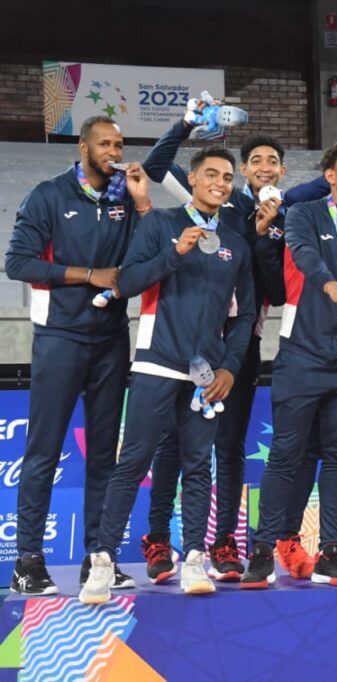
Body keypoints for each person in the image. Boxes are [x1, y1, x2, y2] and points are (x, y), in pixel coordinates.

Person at [79, 147, 256, 603]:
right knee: (133, 462)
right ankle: (102, 561)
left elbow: (245, 317)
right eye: (211, 174)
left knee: (199, 467)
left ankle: (194, 558)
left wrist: (231, 369)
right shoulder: (160, 224)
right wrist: (174, 254)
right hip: (157, 361)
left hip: (206, 377)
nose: (220, 182)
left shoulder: (236, 243)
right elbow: (128, 282)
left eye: (227, 177)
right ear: (192, 180)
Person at [140, 113, 289, 583]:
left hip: (238, 345)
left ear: (283, 172)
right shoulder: (213, 200)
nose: (265, 167)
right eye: (256, 161)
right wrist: (184, 125)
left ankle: (225, 541)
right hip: (185, 339)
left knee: (228, 447)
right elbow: (154, 164)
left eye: (273, 161)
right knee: (171, 443)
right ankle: (159, 538)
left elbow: (275, 291)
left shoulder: (282, 216)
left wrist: (266, 236)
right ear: (242, 170)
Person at [5, 116, 150, 595]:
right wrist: (89, 274)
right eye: (105, 143)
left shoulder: (124, 198)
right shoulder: (49, 195)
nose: (114, 150)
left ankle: (98, 558)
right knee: (43, 452)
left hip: (111, 340)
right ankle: (28, 561)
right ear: (83, 147)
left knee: (104, 457)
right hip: (60, 340)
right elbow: (18, 263)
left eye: (119, 143)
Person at [240, 140, 337, 589]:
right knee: (286, 455)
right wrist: (330, 287)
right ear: (330, 176)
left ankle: (330, 552)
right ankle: (263, 551)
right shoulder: (305, 215)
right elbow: (304, 256)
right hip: (302, 356)